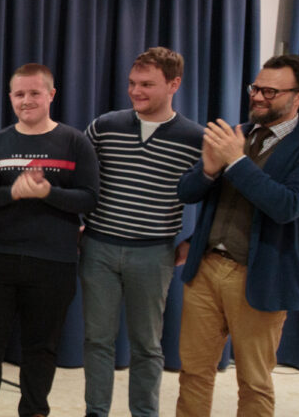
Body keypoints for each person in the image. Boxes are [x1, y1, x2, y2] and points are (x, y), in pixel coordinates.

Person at [0, 64, 99, 417]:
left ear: (51, 94)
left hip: (54, 262)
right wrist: (13, 193)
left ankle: (35, 410)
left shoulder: (74, 141)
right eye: (19, 94)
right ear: (10, 97)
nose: (26, 100)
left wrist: (48, 192)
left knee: (41, 346)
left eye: (35, 93)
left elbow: (89, 198)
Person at [79, 48, 203, 417]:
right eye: (133, 83)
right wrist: (77, 222)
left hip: (154, 254)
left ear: (174, 84)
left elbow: (219, 195)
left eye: (147, 84)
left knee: (147, 345)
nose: (136, 91)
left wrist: (193, 242)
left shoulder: (194, 138)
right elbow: (79, 177)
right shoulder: (104, 126)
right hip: (98, 248)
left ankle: (144, 413)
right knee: (97, 341)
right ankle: (95, 412)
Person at [175, 53, 299, 416]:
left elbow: (286, 206)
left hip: (260, 278)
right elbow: (187, 192)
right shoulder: (237, 134)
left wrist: (237, 162)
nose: (258, 97)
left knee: (254, 382)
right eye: (256, 87)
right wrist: (209, 171)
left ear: (298, 97)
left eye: (271, 92)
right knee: (194, 373)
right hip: (207, 269)